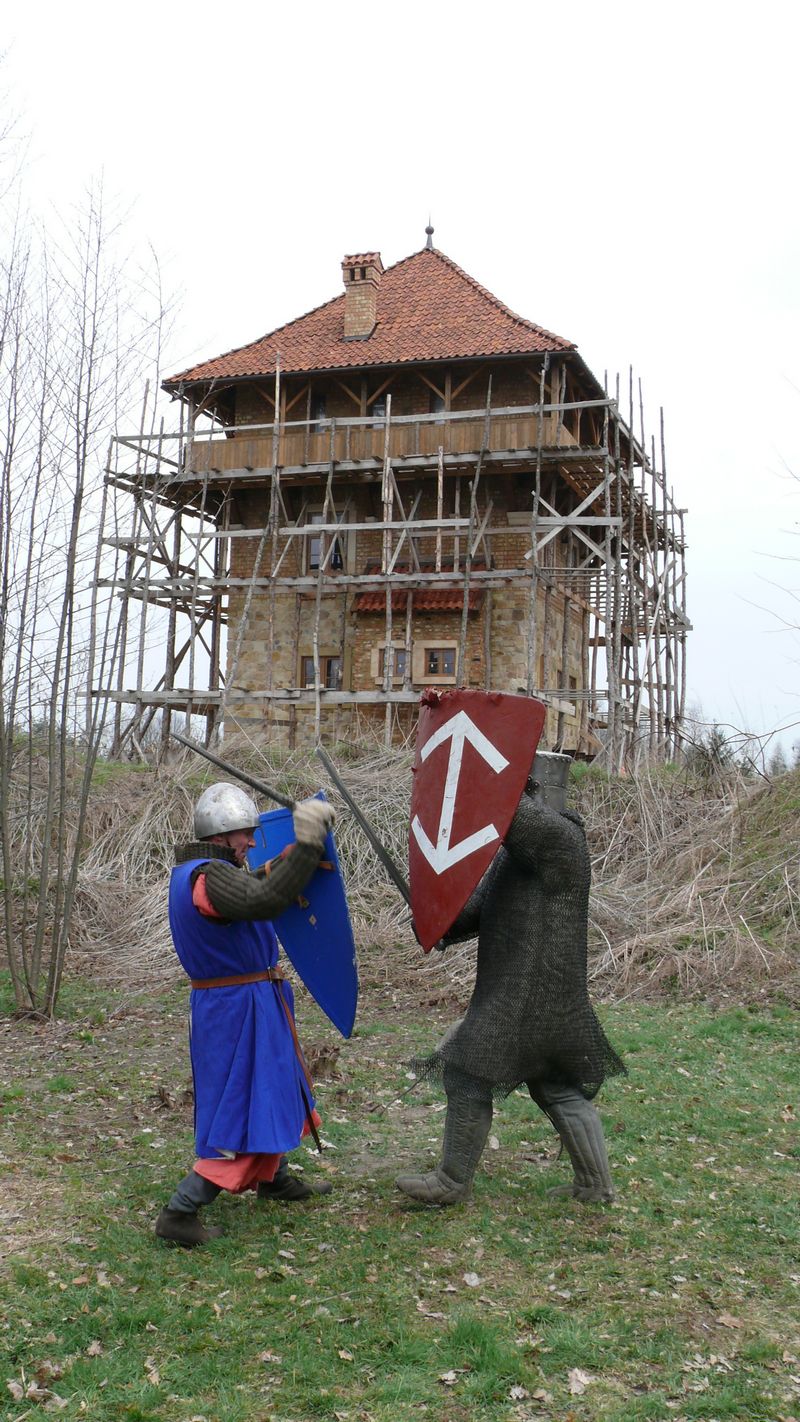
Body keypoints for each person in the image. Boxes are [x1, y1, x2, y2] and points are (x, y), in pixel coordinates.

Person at [396, 751, 624, 1206]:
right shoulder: (514, 860)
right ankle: (595, 1185)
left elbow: (499, 804)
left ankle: (452, 1182)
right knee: (556, 1085)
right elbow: (469, 917)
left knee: (467, 1073)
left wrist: (477, 764)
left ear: (533, 790)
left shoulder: (562, 839)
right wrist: (430, 910)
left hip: (524, 1001)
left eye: (523, 787)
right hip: (545, 1000)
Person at [155, 782, 335, 1247]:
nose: (252, 843)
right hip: (233, 1010)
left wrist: (292, 860)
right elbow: (262, 900)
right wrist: (307, 844)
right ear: (221, 834)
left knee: (274, 1089)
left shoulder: (206, 873)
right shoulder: (207, 877)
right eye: (245, 835)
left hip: (247, 1000)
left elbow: (254, 887)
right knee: (242, 1104)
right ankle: (181, 1210)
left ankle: (275, 1178)